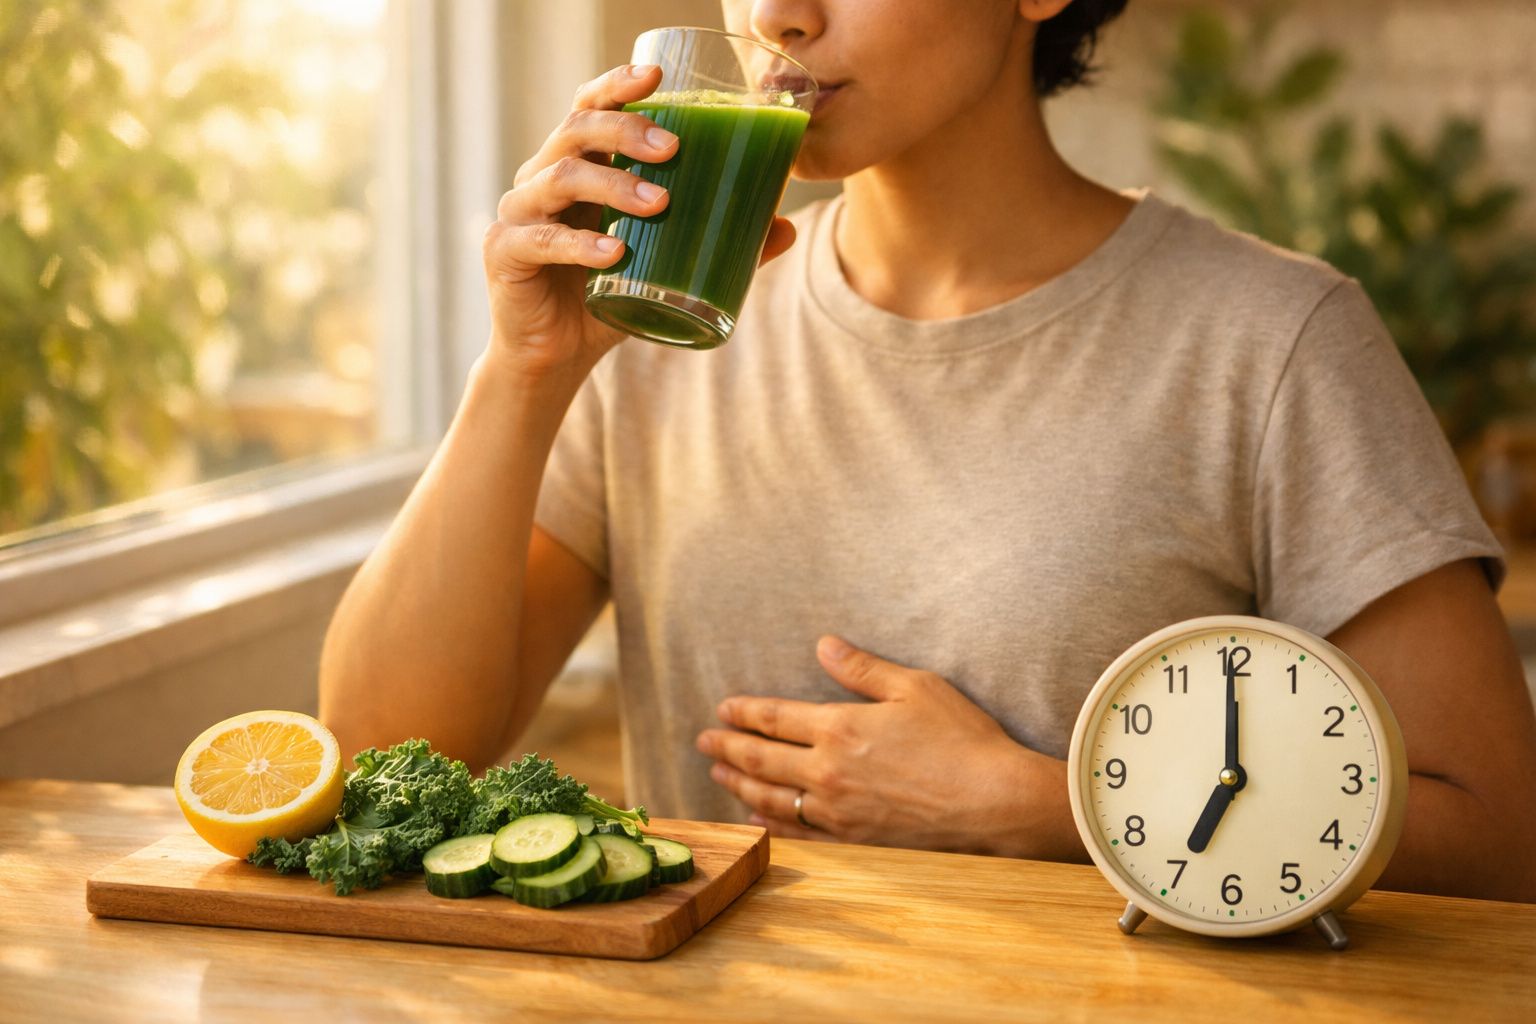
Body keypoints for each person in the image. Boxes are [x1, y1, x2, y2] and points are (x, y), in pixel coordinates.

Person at [318, 0, 1536, 902]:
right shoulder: (665, 319)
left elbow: (1498, 841)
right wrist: (523, 372)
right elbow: (381, 766)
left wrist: (1051, 804)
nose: (779, 15)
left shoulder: (1271, 341)